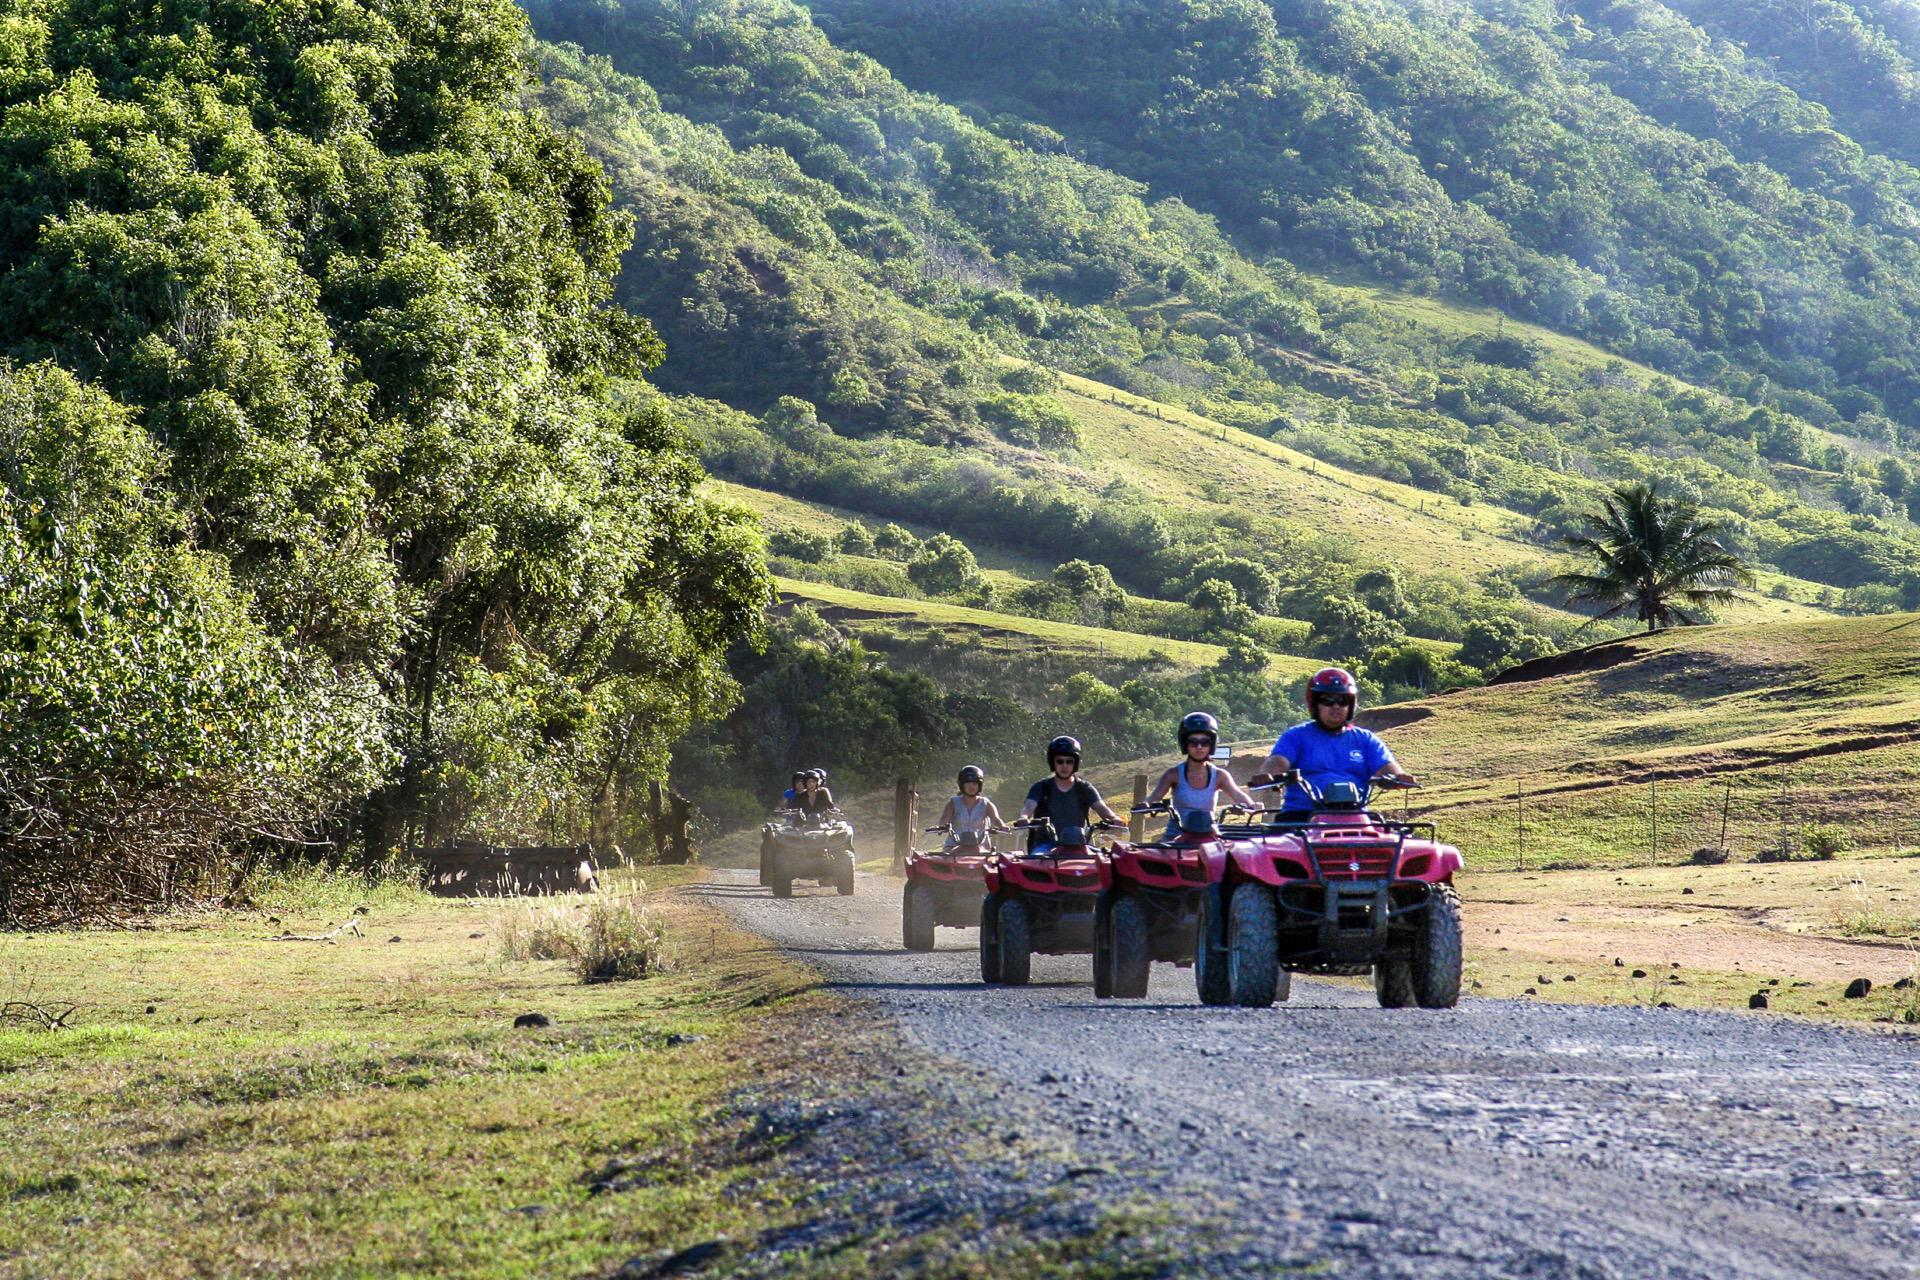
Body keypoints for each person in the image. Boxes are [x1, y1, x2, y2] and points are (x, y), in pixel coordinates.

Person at [1250, 668, 1417, 821]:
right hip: (1301, 817)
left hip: (1357, 818)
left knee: (1394, 845)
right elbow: (1278, 761)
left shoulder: (1366, 740)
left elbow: (1387, 768)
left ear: (1351, 705)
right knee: (1279, 848)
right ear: (1315, 704)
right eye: (1328, 700)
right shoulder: (1296, 736)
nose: (1336, 706)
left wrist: (1399, 777)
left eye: (1343, 700)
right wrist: (1267, 773)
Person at [1146, 711, 1259, 839]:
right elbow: (1155, 796)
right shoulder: (1173, 774)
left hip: (1209, 833)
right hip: (1177, 833)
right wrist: (1147, 805)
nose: (1199, 747)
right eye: (1193, 742)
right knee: (1160, 856)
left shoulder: (1220, 775)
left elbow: (1238, 795)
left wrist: (1250, 805)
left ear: (1211, 744)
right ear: (1185, 744)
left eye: (1204, 742)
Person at [1017, 735, 1124, 853]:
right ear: (1052, 763)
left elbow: (1101, 807)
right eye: (1060, 761)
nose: (1064, 766)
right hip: (1046, 845)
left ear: (1076, 763)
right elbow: (1028, 806)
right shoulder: (1041, 787)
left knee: (1108, 862)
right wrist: (1023, 817)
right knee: (1035, 862)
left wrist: (1114, 818)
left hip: (1080, 845)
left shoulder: (1084, 788)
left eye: (1069, 761)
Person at [938, 765, 1008, 850]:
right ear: (962, 785)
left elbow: (996, 819)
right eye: (967, 783)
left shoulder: (986, 804)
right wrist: (941, 826)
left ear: (980, 785)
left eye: (974, 783)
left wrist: (1002, 826)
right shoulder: (953, 803)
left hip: (981, 848)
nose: (971, 787)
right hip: (954, 847)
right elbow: (945, 818)